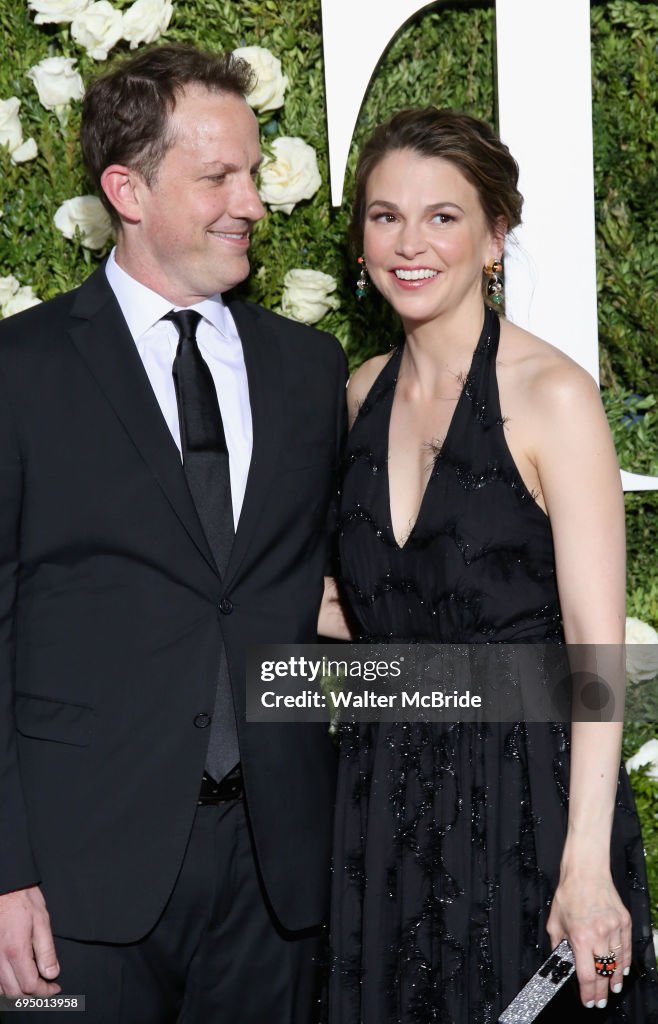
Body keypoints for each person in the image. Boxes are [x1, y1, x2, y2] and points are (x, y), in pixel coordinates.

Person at [0, 43, 346, 1023]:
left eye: (253, 170)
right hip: (75, 881)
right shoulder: (20, 371)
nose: (252, 201)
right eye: (218, 176)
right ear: (129, 189)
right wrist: (3, 871)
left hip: (276, 879)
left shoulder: (309, 371)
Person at [322, 108, 658, 1022]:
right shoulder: (357, 396)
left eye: (443, 216)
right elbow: (355, 610)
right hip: (383, 796)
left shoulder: (553, 397)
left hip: (527, 797)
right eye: (385, 216)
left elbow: (595, 648)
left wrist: (584, 863)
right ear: (360, 240)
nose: (409, 242)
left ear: (495, 236)